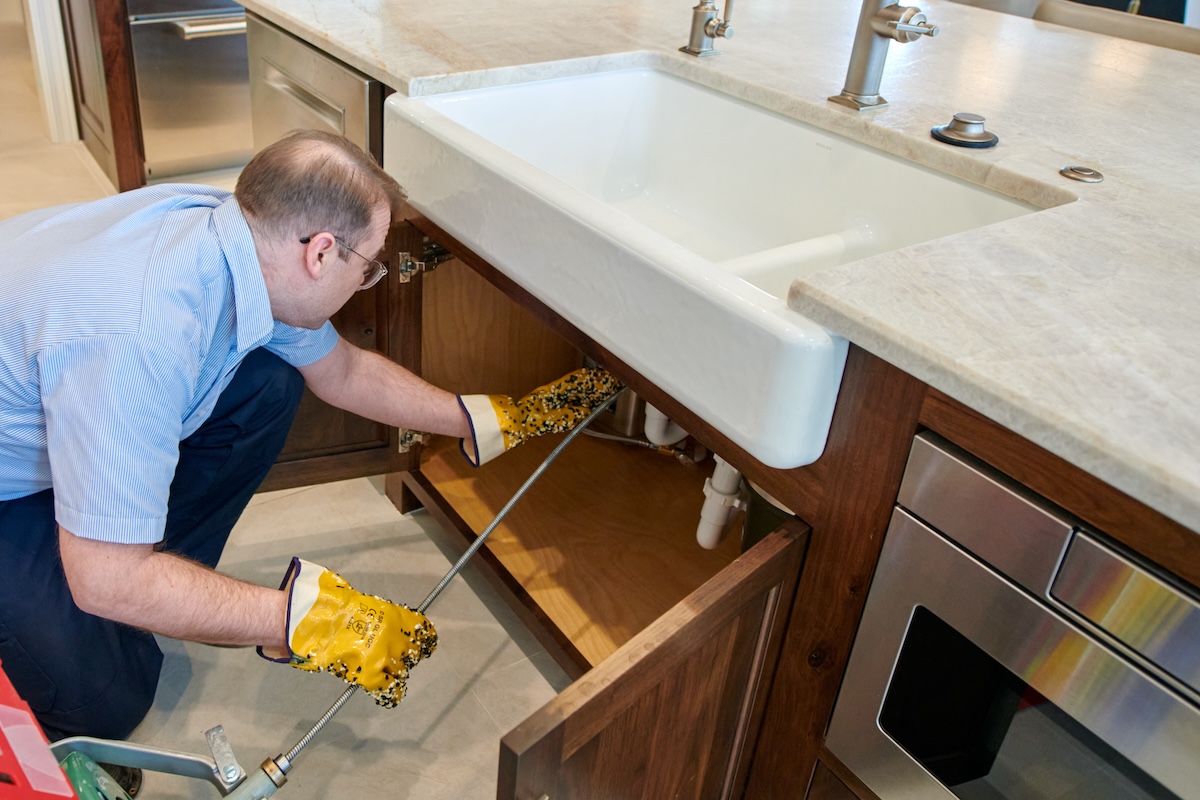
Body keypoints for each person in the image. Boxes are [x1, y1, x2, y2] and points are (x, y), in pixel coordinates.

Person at [0, 129, 618, 747]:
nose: (368, 280)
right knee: (105, 703)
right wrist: (304, 621)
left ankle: (149, 577)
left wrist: (482, 418)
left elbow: (343, 371)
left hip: (56, 416)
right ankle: (122, 592)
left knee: (268, 384)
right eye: (370, 264)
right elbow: (102, 581)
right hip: (13, 482)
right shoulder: (137, 331)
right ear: (321, 253)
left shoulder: (236, 236)